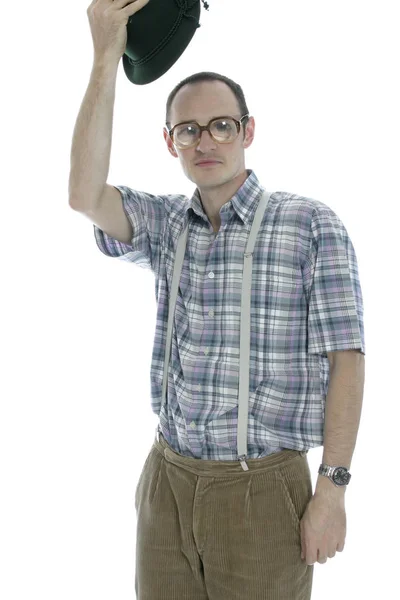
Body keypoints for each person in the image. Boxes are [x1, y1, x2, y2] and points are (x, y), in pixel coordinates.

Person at [69, 1, 366, 598]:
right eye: (188, 130)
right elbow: (84, 193)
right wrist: (106, 56)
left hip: (262, 489)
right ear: (170, 142)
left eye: (221, 125)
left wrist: (331, 488)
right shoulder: (164, 224)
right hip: (167, 481)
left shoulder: (309, 224)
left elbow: (347, 361)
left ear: (247, 130)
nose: (205, 141)